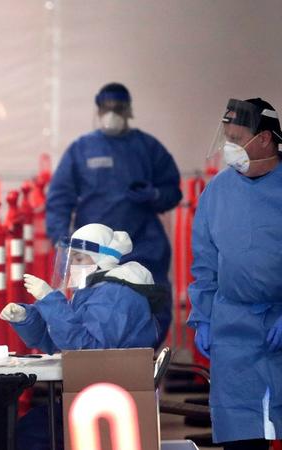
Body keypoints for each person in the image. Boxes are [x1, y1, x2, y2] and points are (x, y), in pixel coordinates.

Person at [0, 223, 164, 450]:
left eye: (78, 259)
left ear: (100, 259)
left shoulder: (115, 294)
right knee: (31, 426)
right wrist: (27, 318)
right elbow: (57, 339)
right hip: (100, 389)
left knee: (32, 432)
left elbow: (86, 348)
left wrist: (50, 299)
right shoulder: (97, 290)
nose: (70, 267)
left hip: (109, 398)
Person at [45, 82, 181, 346]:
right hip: (93, 251)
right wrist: (62, 239)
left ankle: (142, 362)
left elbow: (172, 190)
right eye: (106, 109)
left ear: (128, 110)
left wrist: (154, 195)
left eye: (118, 108)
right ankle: (99, 361)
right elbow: (60, 196)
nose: (112, 114)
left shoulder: (148, 147)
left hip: (144, 245)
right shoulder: (82, 149)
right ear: (97, 110)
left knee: (151, 304)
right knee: (90, 308)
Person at [188, 97, 282, 450]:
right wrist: (204, 317)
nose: (230, 147)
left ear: (265, 138)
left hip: (277, 319)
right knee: (241, 434)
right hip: (233, 330)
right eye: (226, 136)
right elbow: (205, 262)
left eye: (237, 137)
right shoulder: (218, 191)